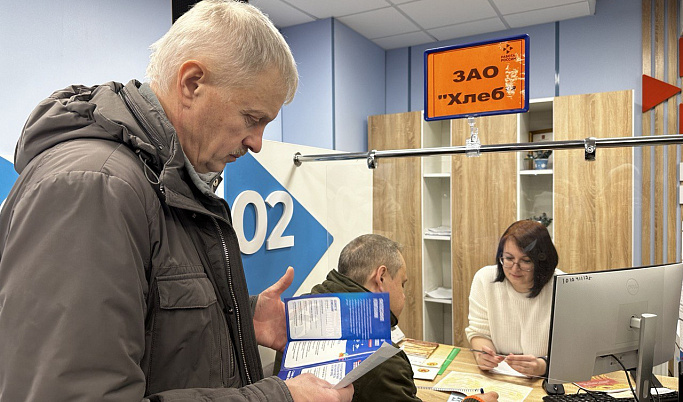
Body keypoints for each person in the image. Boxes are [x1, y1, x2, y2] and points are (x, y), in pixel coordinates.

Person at [0, 1, 353, 401]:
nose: (256, 142)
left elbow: (147, 324)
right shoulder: (95, 187)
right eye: (252, 118)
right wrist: (279, 398)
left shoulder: (166, 181)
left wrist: (238, 314)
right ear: (191, 84)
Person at [274, 234, 498, 402]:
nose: (403, 294)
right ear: (380, 278)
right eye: (402, 283)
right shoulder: (380, 358)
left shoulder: (299, 321)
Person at [465, 220, 562, 378]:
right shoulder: (485, 279)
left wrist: (543, 366)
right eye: (508, 259)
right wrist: (484, 355)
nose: (515, 269)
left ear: (541, 262)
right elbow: (479, 332)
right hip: (499, 375)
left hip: (547, 378)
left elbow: (573, 349)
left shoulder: (561, 285)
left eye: (526, 261)